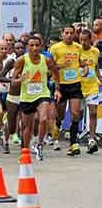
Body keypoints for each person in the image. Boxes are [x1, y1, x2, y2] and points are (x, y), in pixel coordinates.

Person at [12, 36, 60, 161]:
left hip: (42, 94)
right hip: (27, 97)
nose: (34, 48)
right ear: (27, 47)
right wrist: (20, 80)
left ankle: (39, 144)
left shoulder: (47, 60)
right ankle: (25, 150)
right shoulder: (22, 60)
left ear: (41, 46)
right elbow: (13, 80)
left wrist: (58, 89)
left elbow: (55, 72)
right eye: (31, 45)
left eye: (37, 45)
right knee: (27, 127)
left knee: (43, 119)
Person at [49, 25, 85, 156]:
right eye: (67, 33)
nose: (69, 35)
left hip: (75, 83)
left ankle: (73, 143)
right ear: (62, 33)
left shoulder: (78, 47)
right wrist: (62, 65)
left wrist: (85, 68)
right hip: (61, 85)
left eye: (71, 33)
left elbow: (81, 62)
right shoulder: (55, 48)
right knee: (61, 115)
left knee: (75, 113)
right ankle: (56, 131)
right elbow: (50, 66)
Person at [0, 40, 26, 153]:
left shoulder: (29, 61)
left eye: (22, 48)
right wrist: (13, 80)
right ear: (14, 49)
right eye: (17, 48)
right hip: (13, 95)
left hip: (26, 95)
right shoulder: (11, 61)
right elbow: (1, 77)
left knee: (25, 120)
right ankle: (5, 141)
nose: (20, 50)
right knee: (11, 123)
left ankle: (25, 145)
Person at [79, 29, 101, 154]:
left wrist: (99, 77)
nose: (83, 42)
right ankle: (74, 138)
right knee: (77, 114)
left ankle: (91, 139)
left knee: (93, 112)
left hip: (92, 86)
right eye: (81, 39)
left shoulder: (96, 51)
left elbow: (96, 66)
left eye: (85, 40)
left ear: (90, 40)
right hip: (78, 86)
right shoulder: (77, 50)